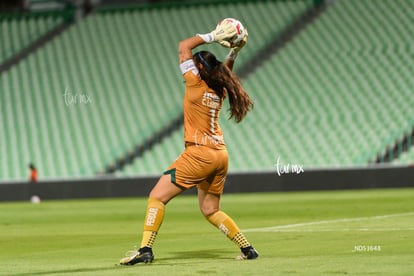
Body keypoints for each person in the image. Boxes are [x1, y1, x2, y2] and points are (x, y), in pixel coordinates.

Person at [120, 20, 257, 265]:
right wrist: (234, 52)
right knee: (210, 210)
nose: (187, 68)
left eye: (192, 65)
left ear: (199, 69)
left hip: (200, 154)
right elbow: (225, 71)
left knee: (156, 197)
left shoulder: (196, 84)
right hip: (220, 155)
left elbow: (184, 46)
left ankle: (145, 249)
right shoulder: (220, 89)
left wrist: (214, 35)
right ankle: (247, 248)